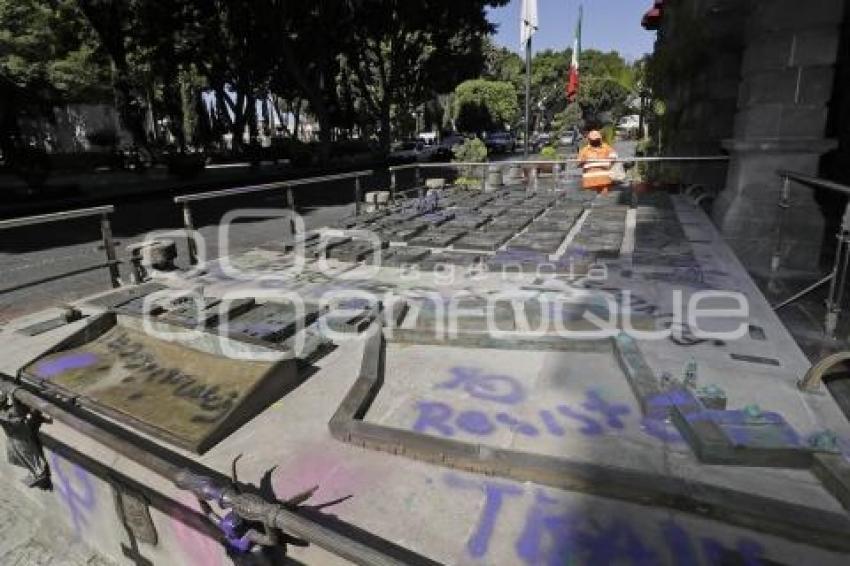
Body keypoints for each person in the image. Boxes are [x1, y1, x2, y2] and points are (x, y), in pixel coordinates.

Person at [577, 130, 618, 194]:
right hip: (590, 181)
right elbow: (579, 163)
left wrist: (608, 164)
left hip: (603, 180)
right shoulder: (585, 150)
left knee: (602, 200)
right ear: (589, 139)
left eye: (596, 139)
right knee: (591, 200)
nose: (595, 141)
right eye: (593, 140)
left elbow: (614, 157)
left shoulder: (606, 147)